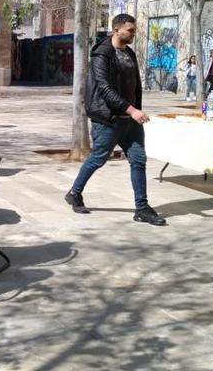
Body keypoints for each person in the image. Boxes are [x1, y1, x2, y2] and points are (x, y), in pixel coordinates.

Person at [65, 13, 166, 226]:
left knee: (138, 161)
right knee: (98, 158)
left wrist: (134, 110)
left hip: (130, 121)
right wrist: (132, 110)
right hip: (108, 120)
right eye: (130, 30)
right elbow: (105, 88)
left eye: (134, 30)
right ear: (116, 29)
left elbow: (135, 84)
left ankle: (142, 208)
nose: (133, 34)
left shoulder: (129, 53)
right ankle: (74, 192)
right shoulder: (102, 55)